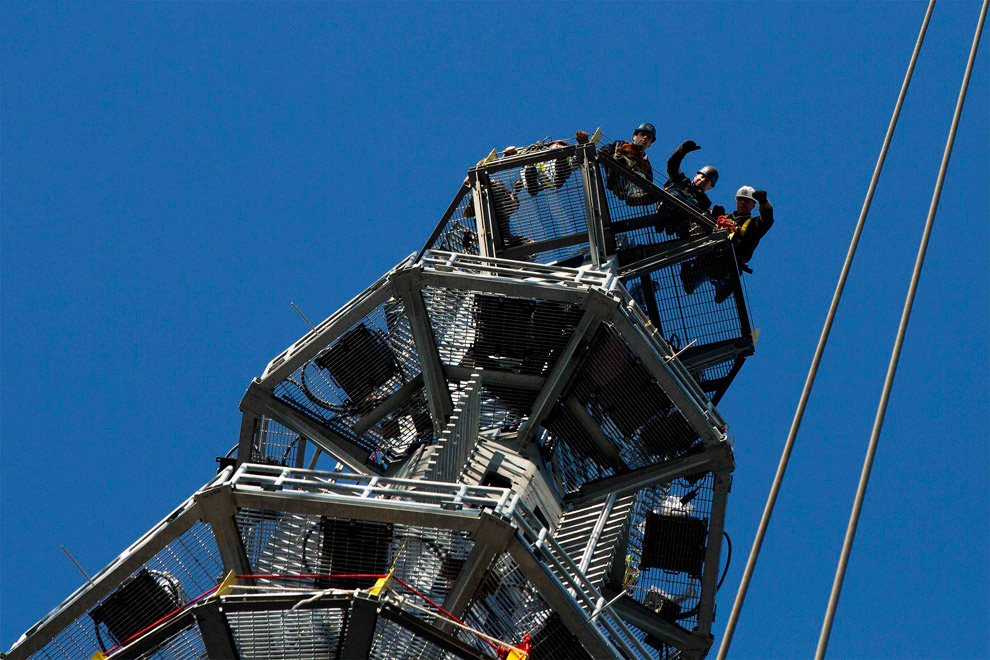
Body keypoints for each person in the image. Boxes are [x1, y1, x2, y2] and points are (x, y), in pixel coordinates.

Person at [679, 186, 775, 303]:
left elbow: (767, 220)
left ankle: (724, 290)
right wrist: (711, 216)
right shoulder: (722, 217)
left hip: (729, 264)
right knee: (689, 284)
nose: (743, 203)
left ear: (753, 205)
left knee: (721, 293)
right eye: (740, 200)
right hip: (708, 259)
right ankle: (694, 281)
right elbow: (699, 229)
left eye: (747, 201)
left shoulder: (754, 224)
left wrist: (763, 202)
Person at [655, 140, 722, 238]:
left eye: (707, 180)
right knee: (675, 192)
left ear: (710, 187)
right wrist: (682, 151)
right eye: (702, 176)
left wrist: (713, 216)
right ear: (696, 175)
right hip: (668, 207)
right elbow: (673, 165)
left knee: (705, 217)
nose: (703, 180)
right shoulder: (681, 181)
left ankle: (692, 230)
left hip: (681, 224)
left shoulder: (704, 204)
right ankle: (665, 208)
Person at [599, 123, 656, 205]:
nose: (645, 138)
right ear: (634, 137)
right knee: (621, 160)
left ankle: (636, 196)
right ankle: (634, 195)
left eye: (648, 137)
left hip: (632, 184)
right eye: (642, 134)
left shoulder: (645, 162)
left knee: (641, 176)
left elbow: (649, 182)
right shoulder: (621, 145)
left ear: (650, 144)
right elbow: (604, 150)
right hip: (616, 178)